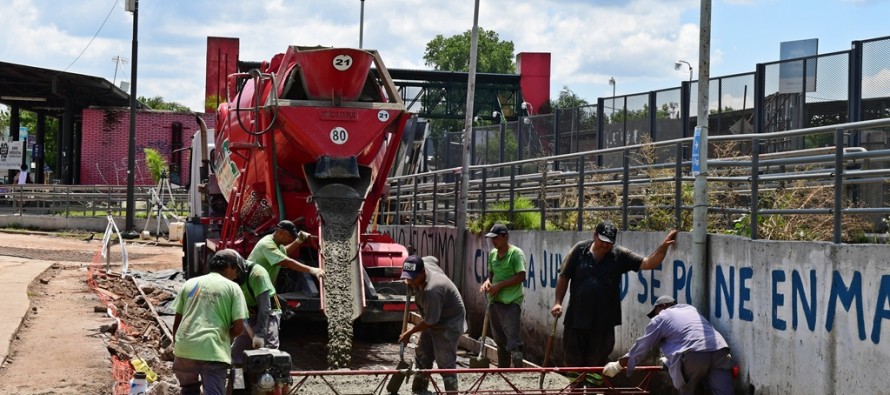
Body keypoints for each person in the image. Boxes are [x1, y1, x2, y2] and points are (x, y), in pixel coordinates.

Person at [550, 221, 678, 368]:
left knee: (597, 361)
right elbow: (564, 275)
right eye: (602, 241)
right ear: (595, 236)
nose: (605, 245)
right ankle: (575, 388)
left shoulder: (619, 255)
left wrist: (663, 247)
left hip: (604, 322)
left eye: (609, 243)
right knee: (572, 358)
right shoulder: (579, 250)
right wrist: (557, 302)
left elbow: (649, 263)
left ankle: (593, 389)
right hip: (577, 317)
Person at [602, 296, 733, 395]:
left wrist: (619, 365)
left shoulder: (662, 316)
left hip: (694, 354)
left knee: (687, 390)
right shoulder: (691, 310)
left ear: (663, 306)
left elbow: (643, 345)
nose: (654, 316)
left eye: (655, 312)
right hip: (720, 350)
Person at [172, 249, 250, 395]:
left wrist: (177, 343)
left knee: (188, 390)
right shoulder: (233, 288)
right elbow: (239, 328)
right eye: (237, 271)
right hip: (213, 350)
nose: (236, 275)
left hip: (184, 349)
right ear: (229, 267)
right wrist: (225, 338)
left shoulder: (190, 283)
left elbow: (177, 321)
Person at [398, 255, 467, 394]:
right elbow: (432, 258)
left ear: (423, 272)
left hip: (449, 323)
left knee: (445, 363)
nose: (409, 281)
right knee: (423, 354)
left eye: (413, 278)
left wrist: (408, 333)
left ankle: (452, 393)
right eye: (407, 277)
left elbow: (430, 321)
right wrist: (411, 279)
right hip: (433, 318)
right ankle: (419, 390)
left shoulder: (433, 289)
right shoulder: (424, 265)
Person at [479, 223, 527, 368]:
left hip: (511, 300)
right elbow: (491, 275)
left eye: (496, 238)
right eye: (492, 239)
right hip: (494, 300)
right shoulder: (493, 254)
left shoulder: (516, 253)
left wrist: (499, 285)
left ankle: (518, 370)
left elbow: (521, 277)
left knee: (512, 338)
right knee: (499, 339)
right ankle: (503, 369)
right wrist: (487, 282)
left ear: (506, 237)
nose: (493, 241)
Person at [231, 259, 279, 367]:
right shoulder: (228, 276)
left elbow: (265, 308)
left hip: (268, 313)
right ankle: (239, 380)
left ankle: (268, 380)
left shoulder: (257, 275)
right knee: (236, 353)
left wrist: (260, 334)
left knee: (269, 352)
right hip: (249, 313)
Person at [247, 220, 326, 285]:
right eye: (290, 236)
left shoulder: (276, 243)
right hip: (253, 287)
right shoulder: (266, 244)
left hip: (263, 286)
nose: (291, 239)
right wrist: (313, 270)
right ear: (281, 232)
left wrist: (298, 241)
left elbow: (283, 253)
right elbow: (285, 262)